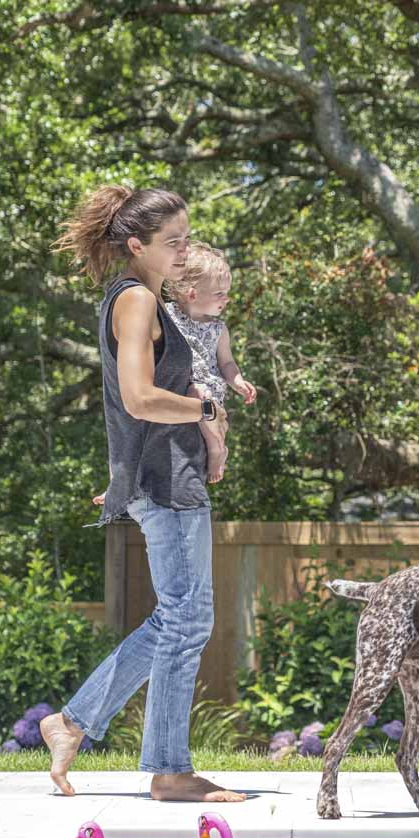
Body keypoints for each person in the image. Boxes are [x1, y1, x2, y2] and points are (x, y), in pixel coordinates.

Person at [38, 184, 246, 803]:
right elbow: (136, 398)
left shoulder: (144, 301)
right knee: (186, 619)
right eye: (172, 242)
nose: (185, 252)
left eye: (187, 238)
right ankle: (167, 769)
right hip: (166, 477)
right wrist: (204, 405)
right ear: (137, 245)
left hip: (160, 475)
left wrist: (123, 479)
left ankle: (75, 724)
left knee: (181, 617)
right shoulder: (134, 302)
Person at [161, 243, 257, 483]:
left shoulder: (218, 329)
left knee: (202, 399)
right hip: (181, 387)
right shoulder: (168, 316)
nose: (227, 299)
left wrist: (238, 382)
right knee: (195, 395)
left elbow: (227, 363)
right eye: (219, 294)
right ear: (192, 294)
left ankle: (217, 448)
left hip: (209, 392)